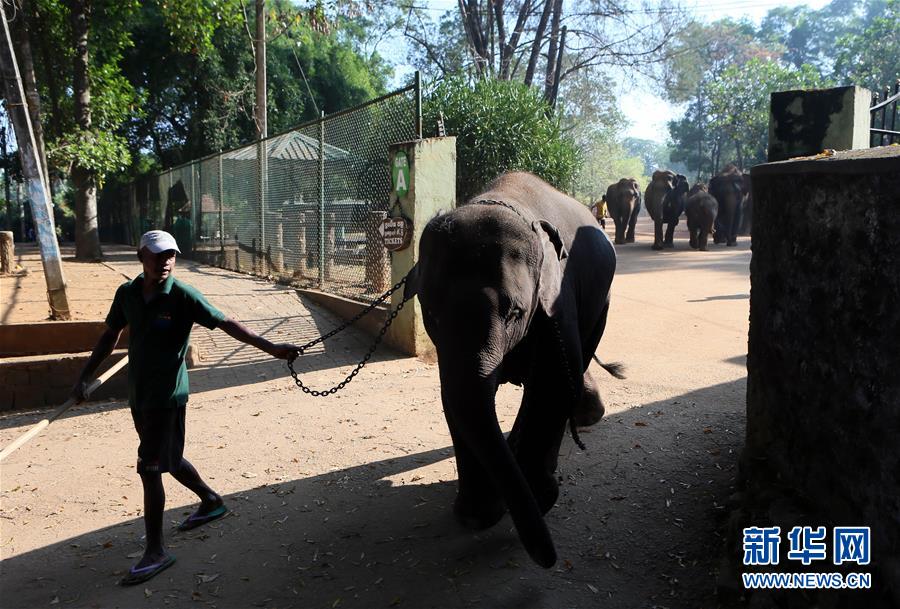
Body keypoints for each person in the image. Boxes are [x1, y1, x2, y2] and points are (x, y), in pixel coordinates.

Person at [71, 230, 300, 586]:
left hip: (168, 396)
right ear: (141, 256)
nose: (165, 262)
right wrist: (85, 376)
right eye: (157, 255)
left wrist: (271, 347)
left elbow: (224, 323)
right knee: (168, 459)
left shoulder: (181, 295)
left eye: (171, 256)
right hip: (140, 394)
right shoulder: (128, 294)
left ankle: (155, 551)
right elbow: (110, 334)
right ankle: (211, 501)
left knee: (150, 467)